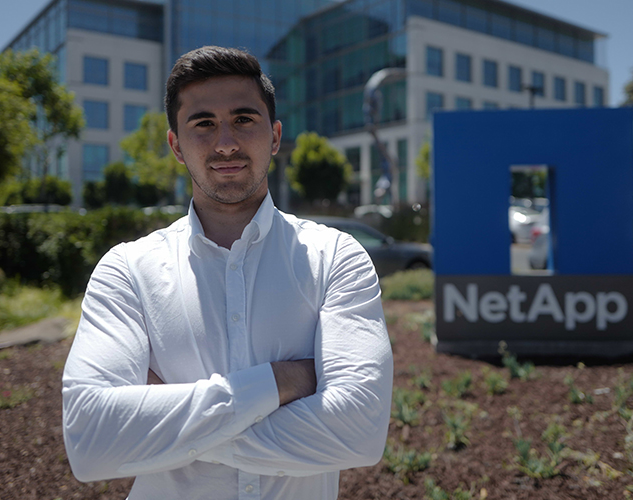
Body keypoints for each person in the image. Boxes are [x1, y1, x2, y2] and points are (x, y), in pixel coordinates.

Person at [62, 46, 394, 499]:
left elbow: (358, 433)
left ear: (274, 136)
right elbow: (92, 441)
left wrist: (170, 430)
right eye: (203, 124)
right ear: (176, 145)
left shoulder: (336, 258)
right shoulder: (127, 271)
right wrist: (280, 382)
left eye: (243, 120)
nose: (225, 143)